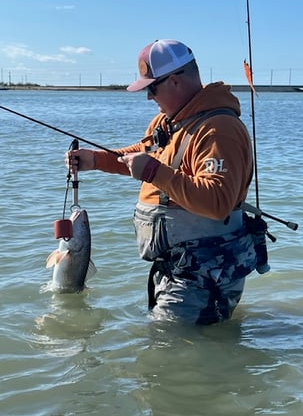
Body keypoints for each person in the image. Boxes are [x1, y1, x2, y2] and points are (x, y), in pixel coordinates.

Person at [66, 39, 262, 325]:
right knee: (166, 354)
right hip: (174, 270)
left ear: (176, 81)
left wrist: (154, 173)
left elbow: (217, 203)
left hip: (204, 275)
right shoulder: (166, 122)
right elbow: (143, 154)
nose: (148, 97)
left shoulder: (220, 130)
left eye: (151, 88)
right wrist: (96, 160)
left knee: (170, 356)